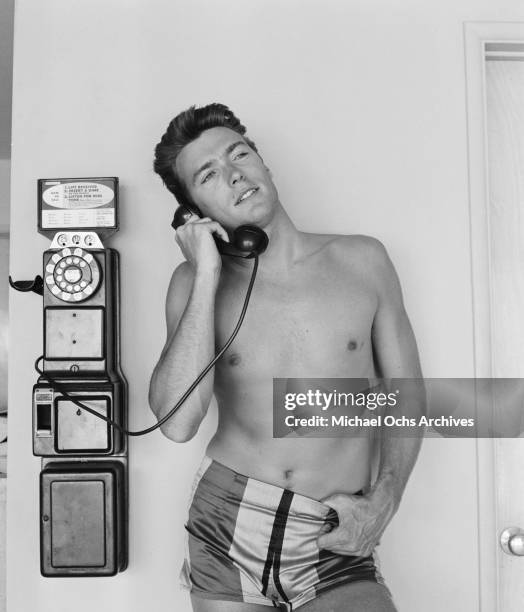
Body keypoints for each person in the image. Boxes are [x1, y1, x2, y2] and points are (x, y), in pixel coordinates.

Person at [149, 103, 424, 612]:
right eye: (209, 175)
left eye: (240, 155)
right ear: (193, 211)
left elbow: (404, 394)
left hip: (331, 530)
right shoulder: (191, 286)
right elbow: (177, 422)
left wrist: (385, 500)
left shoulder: (363, 260)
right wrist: (206, 274)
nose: (234, 176)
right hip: (225, 522)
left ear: (264, 163)